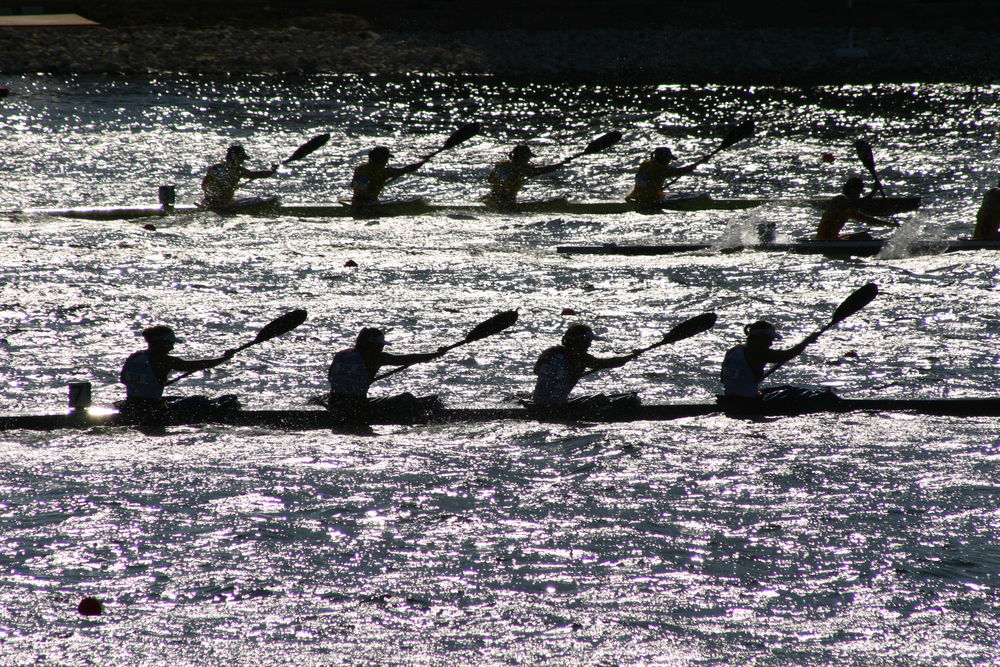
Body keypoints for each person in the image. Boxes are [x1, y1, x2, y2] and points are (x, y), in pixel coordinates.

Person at [328, 327, 446, 422]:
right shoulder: (375, 357)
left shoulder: (341, 354)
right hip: (357, 409)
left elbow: (331, 378)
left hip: (335, 405)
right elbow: (407, 359)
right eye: (380, 345)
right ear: (373, 345)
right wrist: (436, 354)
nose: (382, 347)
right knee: (409, 398)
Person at [119, 325, 236, 419]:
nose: (172, 348)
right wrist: (224, 358)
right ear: (162, 343)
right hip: (153, 411)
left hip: (131, 406)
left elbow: (123, 380)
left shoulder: (134, 357)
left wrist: (153, 383)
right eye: (171, 344)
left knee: (176, 399)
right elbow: (199, 364)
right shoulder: (165, 360)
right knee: (202, 400)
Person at [719, 320, 834, 410]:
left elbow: (723, 379)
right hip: (748, 404)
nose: (771, 342)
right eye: (770, 339)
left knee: (786, 388)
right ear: (761, 338)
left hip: (729, 399)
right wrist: (806, 342)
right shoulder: (758, 352)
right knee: (799, 393)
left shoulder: (733, 351)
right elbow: (787, 355)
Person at [530, 323, 639, 415]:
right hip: (555, 407)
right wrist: (630, 356)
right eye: (588, 342)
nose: (589, 345)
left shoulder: (550, 352)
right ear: (579, 342)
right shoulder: (579, 357)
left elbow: (536, 371)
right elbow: (606, 363)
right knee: (621, 400)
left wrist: (565, 376)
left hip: (538, 402)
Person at [816, 176, 899, 240]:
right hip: (824, 240)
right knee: (864, 237)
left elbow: (868, 220)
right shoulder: (840, 200)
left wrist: (891, 225)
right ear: (852, 189)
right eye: (859, 191)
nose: (859, 194)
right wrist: (874, 191)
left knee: (864, 235)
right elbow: (858, 204)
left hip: (833, 239)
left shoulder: (848, 208)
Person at [485, 145, 562, 209]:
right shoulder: (514, 168)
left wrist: (559, 165)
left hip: (497, 199)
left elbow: (490, 179)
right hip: (503, 202)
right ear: (522, 157)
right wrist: (559, 165)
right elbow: (539, 171)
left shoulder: (505, 165)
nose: (528, 160)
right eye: (527, 157)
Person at [201, 144, 277, 208]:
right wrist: (218, 196)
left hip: (224, 202)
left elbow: (254, 174)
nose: (242, 162)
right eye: (241, 159)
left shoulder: (238, 170)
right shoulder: (217, 168)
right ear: (235, 158)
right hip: (214, 203)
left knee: (267, 199)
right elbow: (205, 185)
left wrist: (271, 171)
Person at [350, 146, 426, 206]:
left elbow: (352, 185)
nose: (387, 161)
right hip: (370, 203)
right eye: (386, 158)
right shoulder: (383, 171)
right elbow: (406, 169)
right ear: (383, 159)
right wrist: (422, 162)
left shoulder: (360, 168)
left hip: (355, 201)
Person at [625, 147, 698, 207]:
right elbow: (681, 171)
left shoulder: (645, 164)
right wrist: (699, 163)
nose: (669, 161)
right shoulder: (661, 170)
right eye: (668, 158)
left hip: (635, 196)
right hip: (650, 201)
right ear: (663, 158)